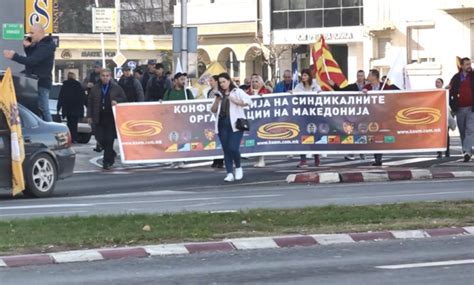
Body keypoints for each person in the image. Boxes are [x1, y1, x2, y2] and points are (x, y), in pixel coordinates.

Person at [3, 23, 56, 122]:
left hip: (41, 82)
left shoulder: (46, 46)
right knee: (36, 110)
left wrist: (14, 56)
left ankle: (50, 130)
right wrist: (27, 47)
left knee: (43, 109)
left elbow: (32, 61)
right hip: (33, 82)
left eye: (32, 33)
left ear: (40, 32)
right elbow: (31, 60)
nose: (30, 35)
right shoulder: (39, 45)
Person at [211, 72, 252, 182]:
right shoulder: (219, 94)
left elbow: (248, 101)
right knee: (226, 149)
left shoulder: (237, 91)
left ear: (229, 81)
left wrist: (233, 99)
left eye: (224, 82)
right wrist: (217, 100)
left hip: (236, 124)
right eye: (220, 82)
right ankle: (229, 172)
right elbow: (213, 110)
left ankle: (238, 167)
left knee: (233, 147)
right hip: (222, 124)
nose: (222, 84)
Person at [86, 69, 127, 170]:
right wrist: (89, 116)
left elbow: (124, 99)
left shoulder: (116, 88)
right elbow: (90, 103)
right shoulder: (95, 88)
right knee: (100, 138)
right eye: (103, 75)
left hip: (110, 117)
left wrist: (117, 101)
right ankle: (111, 153)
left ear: (110, 76)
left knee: (109, 139)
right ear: (100, 76)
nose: (105, 77)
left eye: (107, 76)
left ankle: (107, 161)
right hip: (98, 117)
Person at [362, 69, 400, 166]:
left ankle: (379, 157)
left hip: (384, 116)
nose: (367, 77)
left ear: (375, 76)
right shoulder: (366, 87)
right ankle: (377, 158)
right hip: (371, 117)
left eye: (369, 75)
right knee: (374, 137)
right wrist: (363, 92)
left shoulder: (385, 86)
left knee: (382, 136)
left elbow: (398, 94)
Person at [329, 70, 367, 161]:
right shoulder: (352, 87)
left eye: (361, 75)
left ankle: (362, 152)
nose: (360, 77)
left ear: (364, 76)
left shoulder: (368, 87)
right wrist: (333, 85)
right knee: (353, 133)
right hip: (353, 113)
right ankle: (352, 153)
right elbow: (340, 91)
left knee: (362, 132)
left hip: (365, 113)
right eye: (358, 75)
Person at [293, 68, 322, 168]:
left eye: (305, 75)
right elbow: (294, 94)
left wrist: (320, 93)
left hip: (314, 115)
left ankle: (316, 157)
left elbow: (320, 93)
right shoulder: (299, 86)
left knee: (314, 136)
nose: (303, 77)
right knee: (302, 137)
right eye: (303, 75)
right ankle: (303, 160)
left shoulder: (315, 84)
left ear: (309, 76)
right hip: (303, 115)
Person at [449, 57, 474, 162]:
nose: (469, 66)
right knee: (462, 130)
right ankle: (466, 150)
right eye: (467, 64)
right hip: (459, 108)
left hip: (471, 108)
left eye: (470, 64)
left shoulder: (473, 76)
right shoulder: (456, 77)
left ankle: (467, 151)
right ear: (462, 66)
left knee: (470, 129)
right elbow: (451, 92)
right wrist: (453, 105)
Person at [57, 72, 86, 143]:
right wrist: (85, 106)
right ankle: (74, 138)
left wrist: (58, 107)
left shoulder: (65, 85)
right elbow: (82, 97)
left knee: (69, 123)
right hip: (76, 108)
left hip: (67, 108)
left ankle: (69, 138)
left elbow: (61, 97)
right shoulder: (78, 85)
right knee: (74, 124)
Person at [206, 75, 224, 169]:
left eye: (211, 80)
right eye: (209, 81)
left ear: (216, 81)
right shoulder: (209, 92)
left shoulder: (221, 91)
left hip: (220, 117)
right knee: (213, 139)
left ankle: (220, 160)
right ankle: (215, 159)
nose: (210, 82)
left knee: (220, 139)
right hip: (211, 118)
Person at [435, 78, 451, 159]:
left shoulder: (446, 92)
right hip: (437, 117)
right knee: (437, 134)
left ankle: (447, 151)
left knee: (446, 134)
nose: (437, 84)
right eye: (436, 82)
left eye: (438, 82)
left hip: (445, 115)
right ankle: (439, 152)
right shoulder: (433, 93)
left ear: (442, 83)